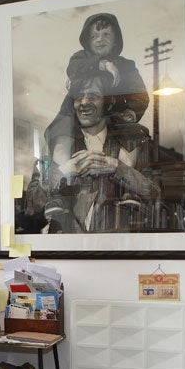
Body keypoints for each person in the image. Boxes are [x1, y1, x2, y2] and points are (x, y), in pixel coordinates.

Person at [44, 67, 159, 233]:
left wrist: (118, 168)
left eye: (93, 96)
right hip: (66, 251)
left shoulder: (134, 142)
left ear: (108, 101)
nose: (84, 103)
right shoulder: (57, 145)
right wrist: (64, 172)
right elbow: (32, 203)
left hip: (118, 249)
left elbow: (156, 193)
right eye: (78, 97)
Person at [44, 12, 149, 146]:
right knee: (61, 135)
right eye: (94, 36)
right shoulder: (80, 58)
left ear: (116, 40)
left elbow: (140, 95)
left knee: (129, 139)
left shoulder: (126, 66)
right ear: (88, 41)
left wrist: (132, 111)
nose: (100, 39)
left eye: (106, 34)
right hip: (76, 115)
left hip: (112, 117)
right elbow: (73, 67)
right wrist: (103, 65)